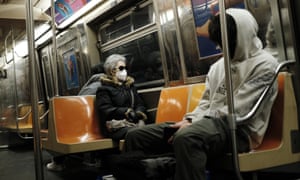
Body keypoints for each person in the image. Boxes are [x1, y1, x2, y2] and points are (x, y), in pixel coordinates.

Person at [121, 8, 279, 180]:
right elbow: (206, 102)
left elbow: (240, 110)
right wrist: (189, 120)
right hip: (208, 123)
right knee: (136, 136)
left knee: (187, 137)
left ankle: (169, 165)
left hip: (240, 131)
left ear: (241, 37)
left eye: (224, 42)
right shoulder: (218, 66)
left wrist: (193, 124)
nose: (220, 47)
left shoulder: (265, 65)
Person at [46, 64, 104, 171]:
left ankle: (58, 161)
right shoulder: (110, 84)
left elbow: (78, 103)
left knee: (62, 128)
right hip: (103, 124)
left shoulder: (90, 87)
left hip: (86, 124)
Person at [95, 54, 148, 141]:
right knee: (137, 133)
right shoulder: (104, 90)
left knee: (145, 130)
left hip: (132, 122)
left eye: (125, 68)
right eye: (121, 68)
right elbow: (106, 110)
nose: (125, 71)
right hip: (115, 126)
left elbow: (140, 103)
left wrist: (138, 113)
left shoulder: (130, 87)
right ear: (112, 70)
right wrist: (126, 112)